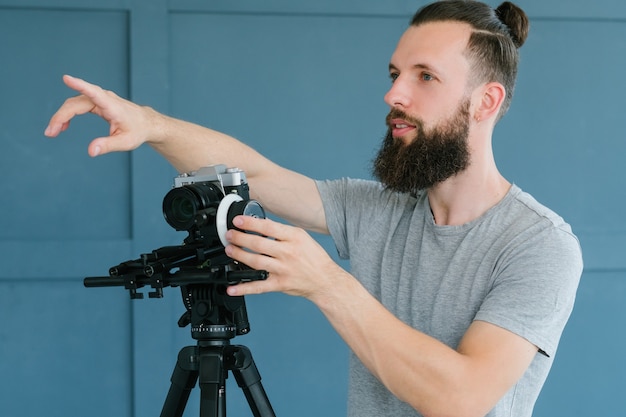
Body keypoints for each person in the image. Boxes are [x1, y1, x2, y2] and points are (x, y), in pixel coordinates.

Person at [45, 1, 582, 416]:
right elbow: (252, 175)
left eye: (425, 76)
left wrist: (327, 283)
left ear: (485, 102)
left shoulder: (539, 246)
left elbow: (459, 400)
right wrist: (151, 125)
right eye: (394, 74)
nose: (394, 94)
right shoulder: (380, 208)